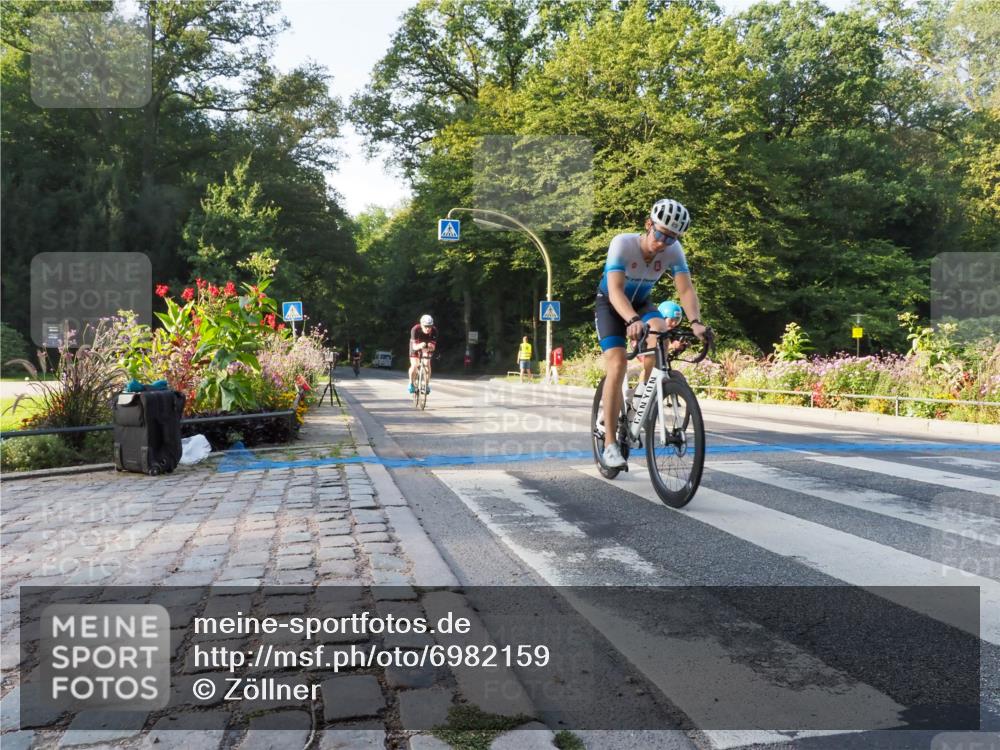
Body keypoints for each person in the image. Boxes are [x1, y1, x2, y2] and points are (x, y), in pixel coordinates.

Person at [594, 198, 712, 469]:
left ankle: (640, 398)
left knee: (660, 332)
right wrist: (632, 319)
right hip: (612, 303)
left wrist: (695, 321)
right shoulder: (622, 244)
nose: (663, 243)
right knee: (618, 362)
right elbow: (615, 291)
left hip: (642, 304)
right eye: (660, 234)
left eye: (671, 239)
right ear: (649, 225)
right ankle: (610, 444)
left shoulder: (673, 251)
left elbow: (685, 290)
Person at [409, 314, 437, 394]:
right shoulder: (415, 329)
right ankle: (411, 383)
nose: (428, 328)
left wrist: (431, 347)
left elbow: (433, 347)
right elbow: (414, 347)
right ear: (421, 325)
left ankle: (426, 385)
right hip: (415, 345)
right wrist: (420, 345)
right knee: (414, 365)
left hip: (426, 346)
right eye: (426, 326)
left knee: (427, 363)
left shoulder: (434, 330)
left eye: (430, 326)